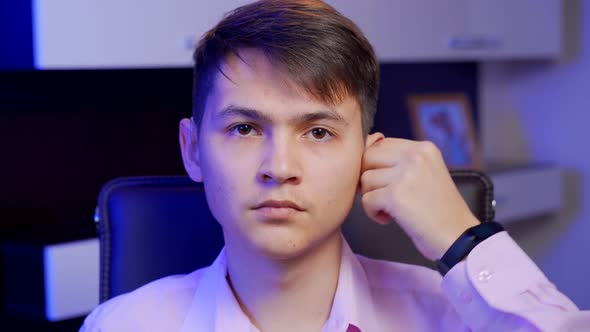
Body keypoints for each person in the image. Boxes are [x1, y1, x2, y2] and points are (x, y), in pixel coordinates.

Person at [81, 0, 590, 331]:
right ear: (192, 149)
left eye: (318, 132)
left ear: (365, 156)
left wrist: (463, 241)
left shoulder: (451, 317)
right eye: (245, 128)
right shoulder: (122, 325)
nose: (279, 167)